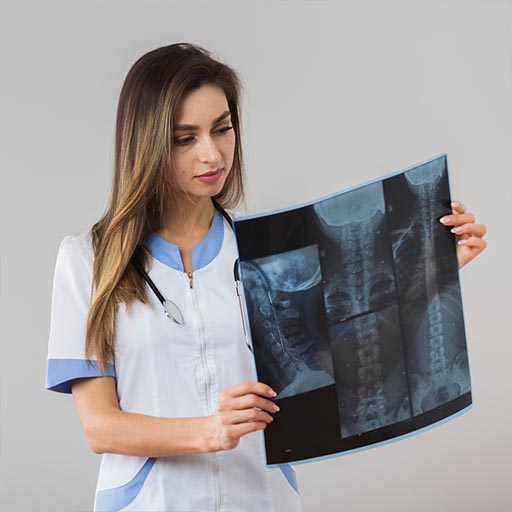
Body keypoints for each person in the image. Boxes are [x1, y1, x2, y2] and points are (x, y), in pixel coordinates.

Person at [45, 43, 488, 512]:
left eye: (222, 129)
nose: (212, 154)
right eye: (185, 139)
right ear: (146, 143)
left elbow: (343, 366)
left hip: (258, 498)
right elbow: (100, 427)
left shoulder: (264, 254)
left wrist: (431, 272)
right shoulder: (89, 260)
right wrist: (208, 431)